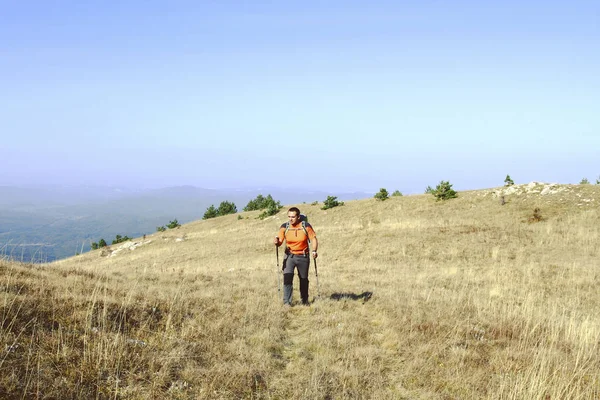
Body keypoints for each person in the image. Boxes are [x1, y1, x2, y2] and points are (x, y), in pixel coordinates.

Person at [273, 207, 318, 306]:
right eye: (289, 216)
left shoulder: (306, 226)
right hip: (289, 256)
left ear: (298, 217)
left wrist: (314, 251)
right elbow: (280, 241)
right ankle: (287, 303)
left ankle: (304, 300)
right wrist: (277, 242)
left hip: (303, 256)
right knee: (287, 278)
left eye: (293, 217)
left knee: (303, 279)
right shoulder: (285, 227)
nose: (290, 219)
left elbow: (313, 239)